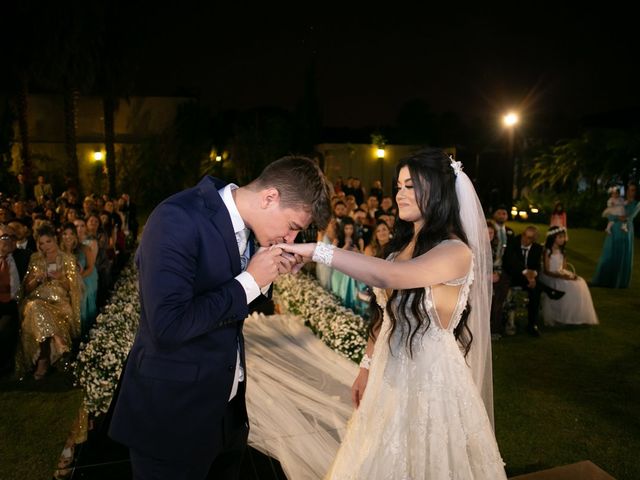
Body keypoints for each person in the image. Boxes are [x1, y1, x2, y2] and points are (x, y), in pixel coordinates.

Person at [278, 148, 506, 479]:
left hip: (429, 380)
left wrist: (317, 251)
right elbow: (386, 315)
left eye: (410, 185)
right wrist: (366, 366)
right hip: (389, 371)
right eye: (398, 186)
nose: (399, 194)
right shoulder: (399, 250)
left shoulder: (456, 251)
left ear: (438, 190)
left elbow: (389, 278)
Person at [108, 156, 332, 480]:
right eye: (293, 227)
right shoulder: (176, 218)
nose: (291, 239)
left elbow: (227, 305)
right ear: (270, 197)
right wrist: (251, 280)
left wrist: (266, 277)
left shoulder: (251, 229)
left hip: (226, 416)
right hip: (172, 418)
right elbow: (168, 325)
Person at [17, 224, 82, 379]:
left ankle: (43, 359)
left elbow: (71, 288)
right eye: (41, 243)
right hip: (38, 298)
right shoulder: (35, 259)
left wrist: (59, 277)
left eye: (48, 242)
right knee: (35, 306)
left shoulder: (67, 259)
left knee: (37, 310)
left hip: (59, 302)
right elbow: (26, 288)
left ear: (55, 240)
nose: (45, 246)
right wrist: (36, 279)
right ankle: (57, 339)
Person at [539, 226, 598, 326]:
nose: (563, 239)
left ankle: (575, 315)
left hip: (560, 273)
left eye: (563, 237)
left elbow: (563, 268)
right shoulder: (547, 251)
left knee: (580, 282)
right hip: (550, 275)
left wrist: (569, 275)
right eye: (560, 237)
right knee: (567, 285)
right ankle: (560, 315)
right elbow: (547, 271)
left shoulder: (563, 251)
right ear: (553, 237)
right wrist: (562, 277)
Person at [592, 182, 640, 288]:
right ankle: (603, 279)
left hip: (624, 231)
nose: (629, 192)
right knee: (608, 253)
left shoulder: (636, 204)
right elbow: (609, 215)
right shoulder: (621, 201)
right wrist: (614, 216)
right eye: (628, 189)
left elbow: (627, 217)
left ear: (635, 192)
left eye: (632, 190)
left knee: (620, 254)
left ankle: (617, 281)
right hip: (613, 230)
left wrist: (615, 216)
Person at [0, 225, 30, 377]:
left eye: (12, 237)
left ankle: (5, 366)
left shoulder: (24, 256)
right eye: (5, 237)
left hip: (13, 304)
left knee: (4, 329)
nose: (9, 241)